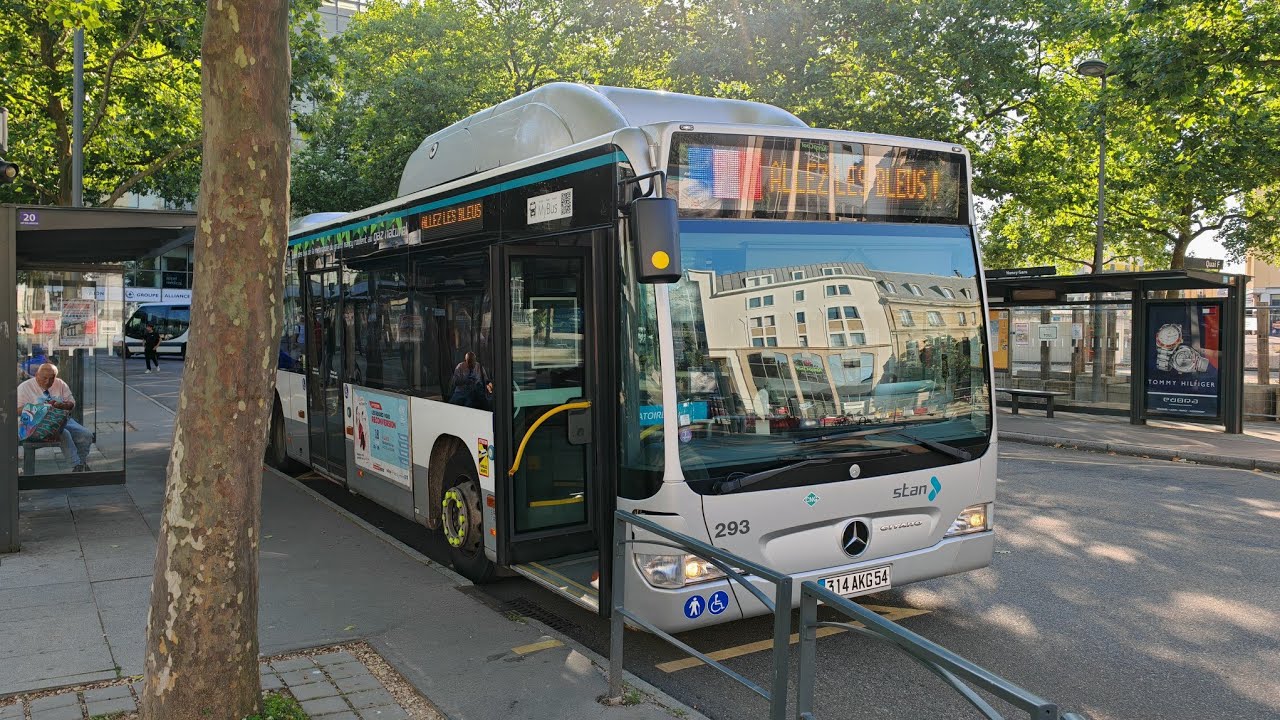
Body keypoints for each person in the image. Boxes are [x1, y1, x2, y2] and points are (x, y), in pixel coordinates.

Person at [17, 363, 94, 472]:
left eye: (51, 379)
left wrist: (62, 405)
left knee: (86, 435)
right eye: (44, 378)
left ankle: (81, 464)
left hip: (61, 419)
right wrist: (38, 408)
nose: (47, 382)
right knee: (63, 433)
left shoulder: (60, 384)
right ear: (36, 375)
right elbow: (16, 410)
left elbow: (72, 403)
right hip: (34, 423)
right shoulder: (24, 387)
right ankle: (76, 465)